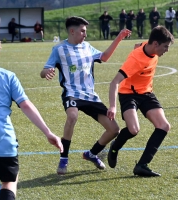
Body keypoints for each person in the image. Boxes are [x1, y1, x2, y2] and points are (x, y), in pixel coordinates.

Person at [40, 16, 131, 175]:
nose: (85, 34)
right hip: (72, 94)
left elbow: (104, 57)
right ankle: (64, 158)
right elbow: (43, 71)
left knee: (114, 129)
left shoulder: (88, 47)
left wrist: (119, 37)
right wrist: (46, 72)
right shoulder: (59, 49)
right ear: (72, 31)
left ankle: (91, 154)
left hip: (90, 96)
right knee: (72, 116)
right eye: (83, 31)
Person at [0, 32, 63, 200]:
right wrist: (48, 133)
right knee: (9, 182)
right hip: (3, 142)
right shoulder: (8, 76)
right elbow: (26, 105)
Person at [107, 26, 174, 177]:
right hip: (128, 94)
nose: (166, 50)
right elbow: (114, 82)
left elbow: (141, 45)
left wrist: (136, 46)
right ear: (156, 44)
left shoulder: (149, 45)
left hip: (146, 93)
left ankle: (142, 165)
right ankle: (114, 147)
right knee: (133, 130)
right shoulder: (136, 60)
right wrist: (112, 106)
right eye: (165, 47)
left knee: (164, 126)